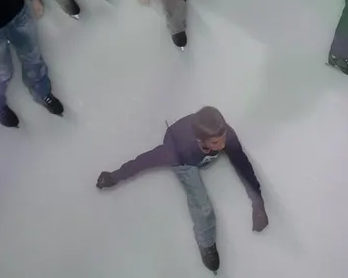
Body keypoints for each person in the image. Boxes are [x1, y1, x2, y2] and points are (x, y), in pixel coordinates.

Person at [95, 107, 267, 274]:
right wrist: (114, 176)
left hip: (195, 146)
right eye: (216, 142)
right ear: (201, 141)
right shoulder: (177, 151)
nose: (223, 144)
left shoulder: (225, 133)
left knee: (229, 151)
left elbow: (243, 165)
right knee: (203, 206)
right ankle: (206, 244)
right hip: (186, 162)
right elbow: (144, 161)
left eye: (223, 138)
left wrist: (258, 204)